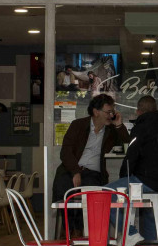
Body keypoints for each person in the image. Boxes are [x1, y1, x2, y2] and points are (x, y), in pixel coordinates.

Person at [52, 94, 129, 229]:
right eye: (108, 112)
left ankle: (86, 233)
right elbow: (65, 152)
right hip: (72, 169)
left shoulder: (111, 130)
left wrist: (119, 125)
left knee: (91, 193)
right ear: (96, 111)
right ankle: (69, 232)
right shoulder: (79, 125)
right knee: (63, 187)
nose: (111, 115)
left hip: (94, 173)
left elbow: (127, 143)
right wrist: (75, 171)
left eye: (112, 112)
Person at [109, 95, 158, 241]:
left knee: (105, 194)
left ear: (139, 111)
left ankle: (131, 234)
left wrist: (124, 179)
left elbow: (131, 157)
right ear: (156, 110)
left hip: (145, 182)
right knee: (150, 219)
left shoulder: (140, 128)